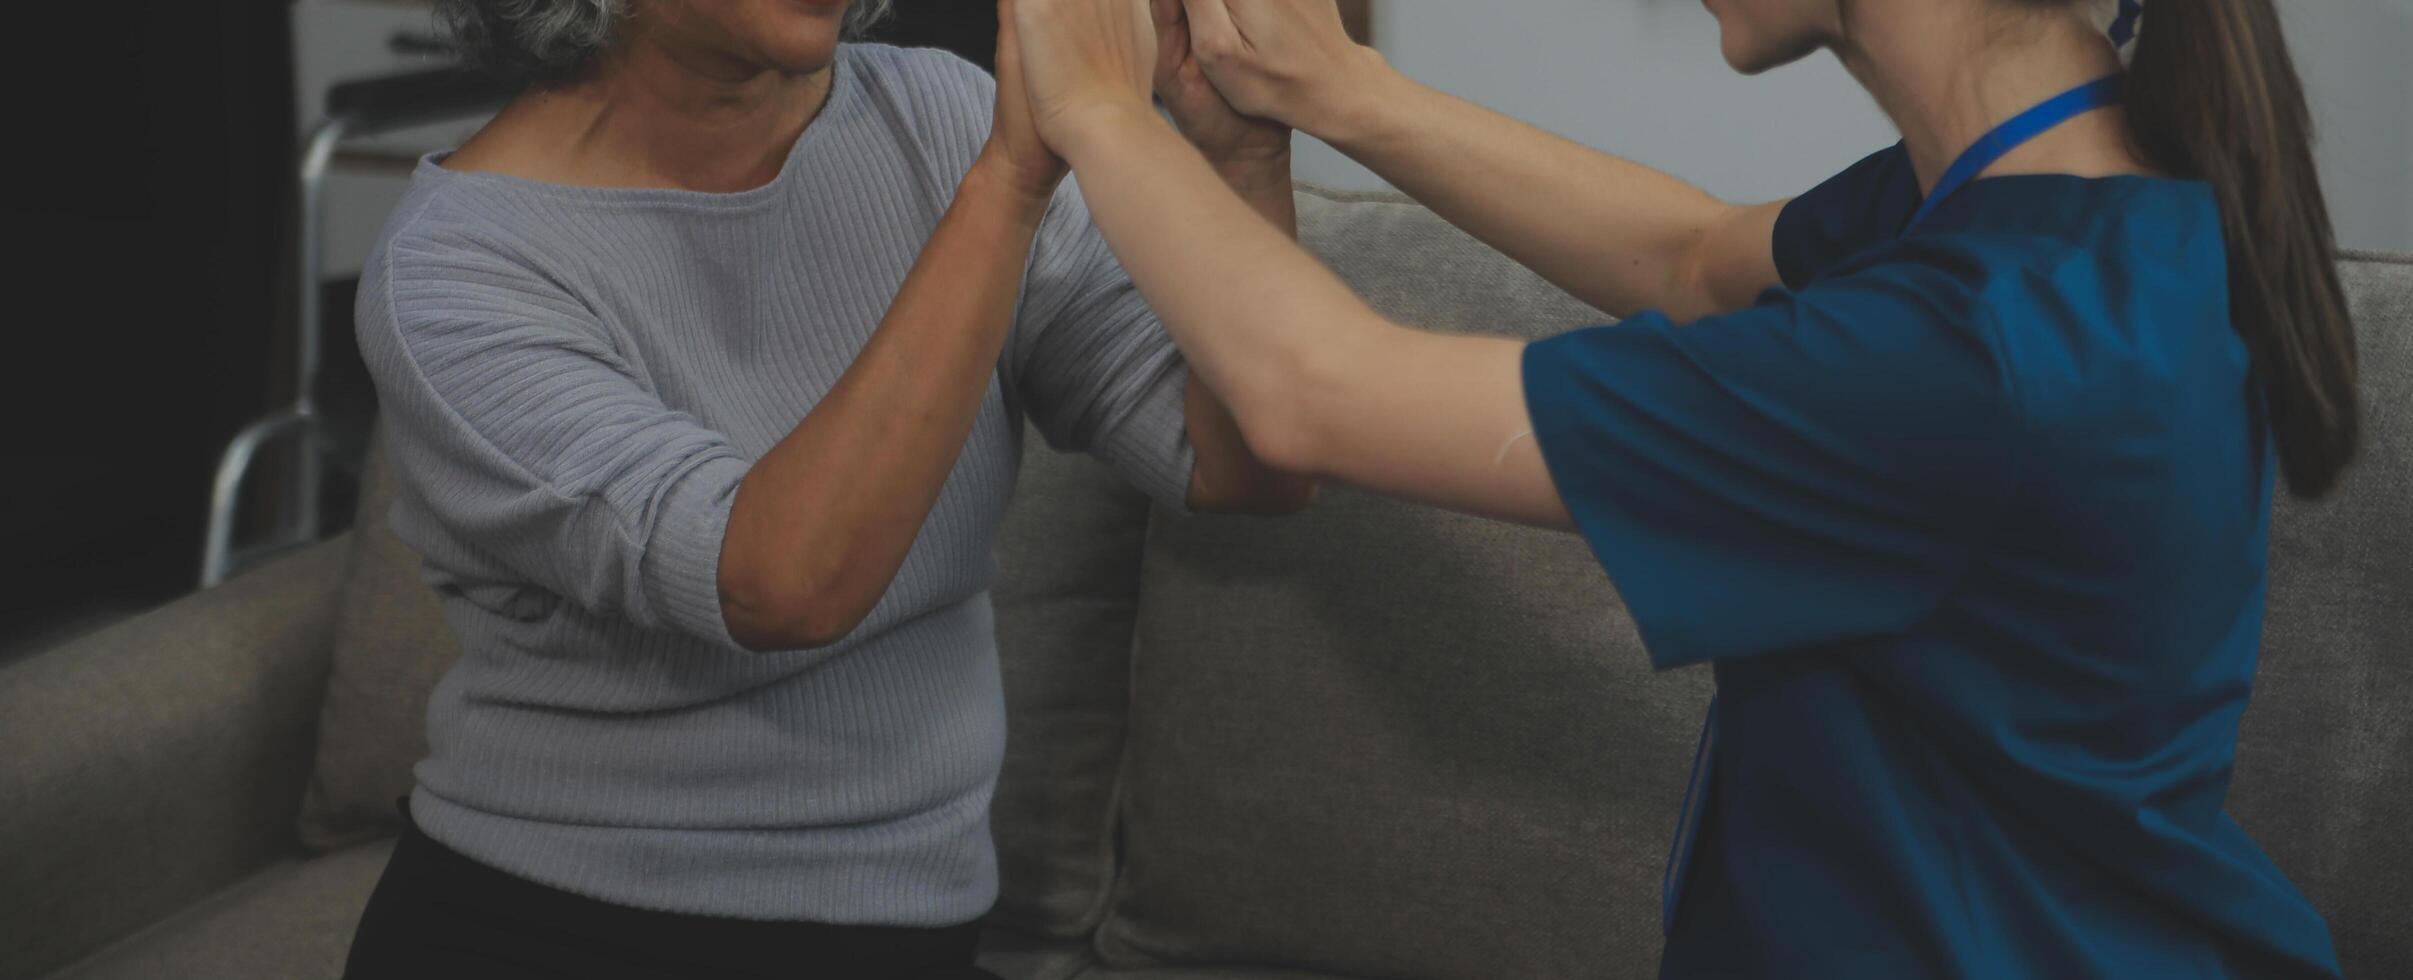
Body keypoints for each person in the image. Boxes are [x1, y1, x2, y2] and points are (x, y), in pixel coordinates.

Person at [1007, 0, 2359, 975]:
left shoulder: (1968, 356)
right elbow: (1693, 260)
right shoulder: (2072, 195)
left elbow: (1315, 392)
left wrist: (1093, 109)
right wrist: (1340, 93)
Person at [339, 0, 1312, 976]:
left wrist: (1242, 161)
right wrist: (1010, 180)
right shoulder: (451, 270)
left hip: (903, 928)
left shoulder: (938, 115)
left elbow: (1245, 460)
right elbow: (777, 584)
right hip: (555, 922)